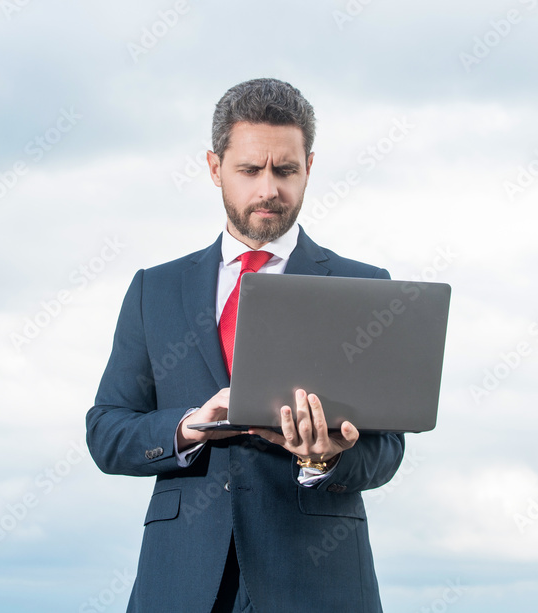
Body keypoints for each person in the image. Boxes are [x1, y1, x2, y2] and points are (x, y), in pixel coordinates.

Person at [86, 78, 404, 613]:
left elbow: (387, 449)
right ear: (215, 168)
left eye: (286, 170)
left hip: (319, 582)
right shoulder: (155, 290)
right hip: (182, 581)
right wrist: (188, 426)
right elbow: (107, 431)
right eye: (250, 170)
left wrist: (326, 460)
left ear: (309, 167)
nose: (269, 190)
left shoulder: (365, 288)